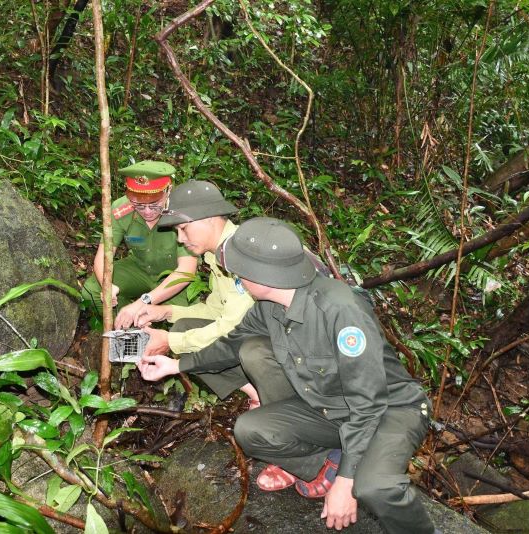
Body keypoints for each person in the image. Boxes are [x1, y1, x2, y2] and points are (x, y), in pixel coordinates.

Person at [137, 217, 436, 534]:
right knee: (251, 430)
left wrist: (347, 481)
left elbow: (368, 401)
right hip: (332, 410)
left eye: (240, 270)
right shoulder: (269, 306)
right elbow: (230, 345)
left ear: (263, 275)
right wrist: (176, 365)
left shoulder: (339, 309)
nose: (236, 276)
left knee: (374, 487)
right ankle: (327, 461)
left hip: (390, 410)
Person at [131, 180, 260, 407]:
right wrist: (165, 312)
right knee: (184, 329)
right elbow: (215, 310)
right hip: (259, 334)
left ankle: (272, 393)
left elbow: (232, 326)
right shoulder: (217, 254)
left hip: (288, 343)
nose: (180, 239)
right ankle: (256, 393)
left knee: (185, 339)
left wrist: (170, 341)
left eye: (183, 228)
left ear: (209, 217)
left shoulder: (241, 253)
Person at [81, 161, 197, 329]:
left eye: (154, 204)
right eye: (139, 205)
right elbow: (103, 257)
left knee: (188, 323)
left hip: (173, 276)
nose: (147, 211)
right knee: (92, 289)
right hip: (139, 269)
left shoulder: (182, 212)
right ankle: (129, 332)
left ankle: (156, 332)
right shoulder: (121, 209)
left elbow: (186, 271)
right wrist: (108, 287)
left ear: (168, 191)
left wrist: (143, 302)